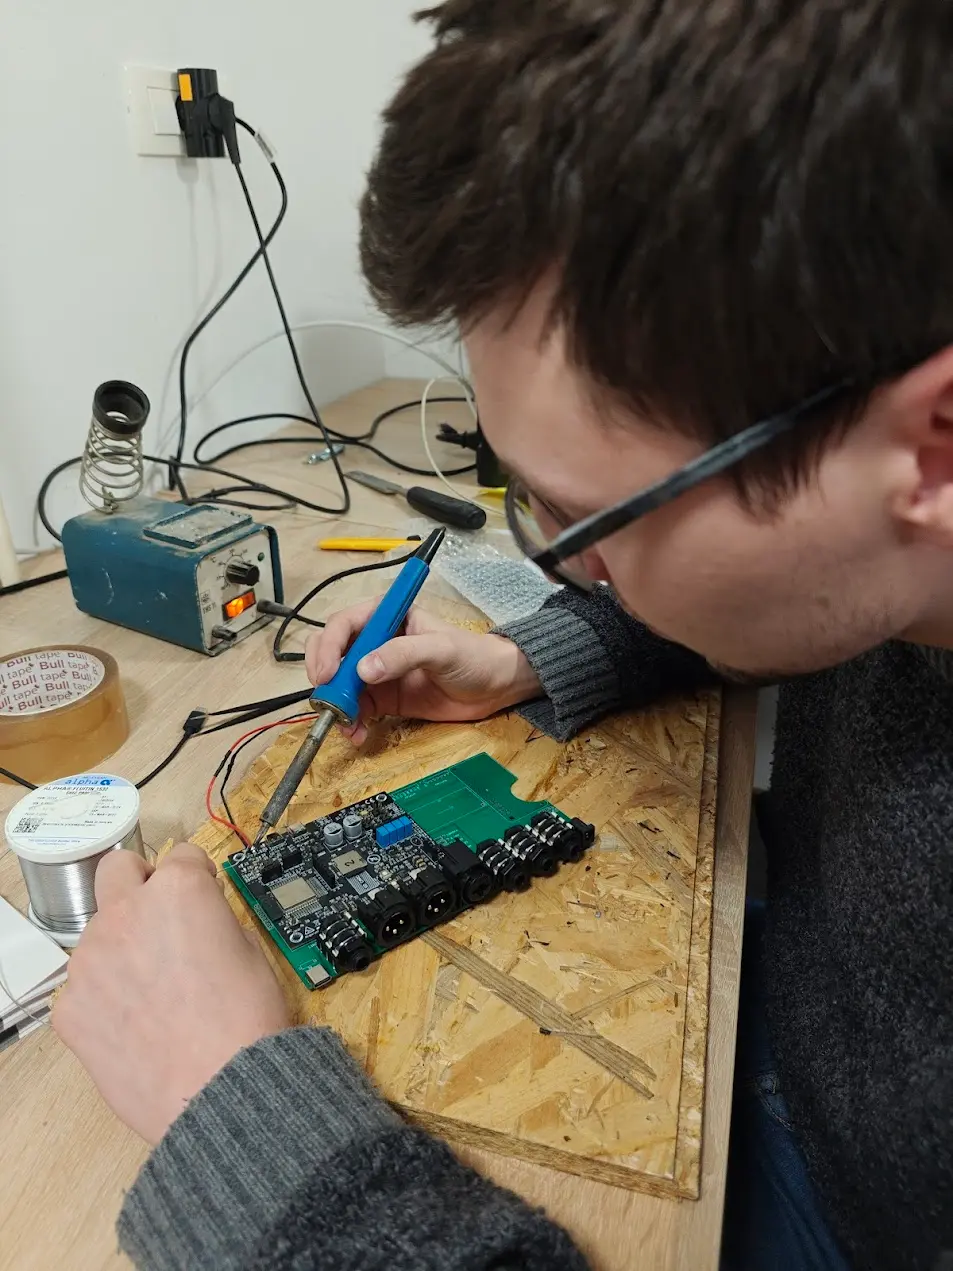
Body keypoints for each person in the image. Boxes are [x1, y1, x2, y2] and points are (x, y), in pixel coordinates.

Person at [52, 2, 953, 1268]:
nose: (552, 560)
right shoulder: (894, 552)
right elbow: (825, 581)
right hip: (796, 1032)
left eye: (590, 513)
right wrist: (539, 651)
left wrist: (235, 1116)